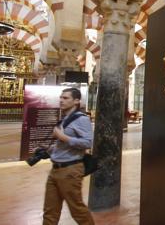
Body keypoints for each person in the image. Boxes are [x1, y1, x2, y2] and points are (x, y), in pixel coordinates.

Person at [43, 87, 94, 225]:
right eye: (61, 97)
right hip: (55, 169)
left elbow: (88, 142)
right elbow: (62, 144)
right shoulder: (65, 119)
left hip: (70, 170)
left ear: (76, 101)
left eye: (66, 98)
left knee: (77, 210)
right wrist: (49, 150)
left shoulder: (82, 119)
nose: (61, 100)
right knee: (50, 211)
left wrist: (63, 137)